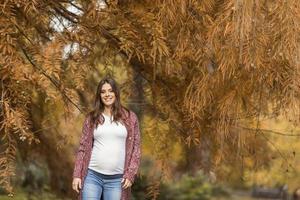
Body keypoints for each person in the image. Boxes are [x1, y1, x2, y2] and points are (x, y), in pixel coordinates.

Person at [72, 77, 141, 200]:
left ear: (116, 93)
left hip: (117, 180)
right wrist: (77, 175)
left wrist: (130, 174)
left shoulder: (130, 118)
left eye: (110, 91)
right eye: (103, 92)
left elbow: (136, 148)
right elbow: (82, 148)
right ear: (99, 95)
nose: (107, 94)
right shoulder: (92, 118)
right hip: (92, 176)